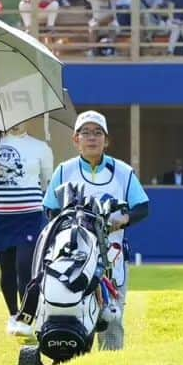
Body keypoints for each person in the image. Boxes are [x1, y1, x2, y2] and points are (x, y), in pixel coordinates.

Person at [43, 111, 149, 351]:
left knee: (112, 317)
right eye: (85, 133)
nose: (92, 138)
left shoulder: (122, 172)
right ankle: (72, 359)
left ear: (106, 140)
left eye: (98, 133)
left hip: (112, 256)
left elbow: (142, 207)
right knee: (73, 310)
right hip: (73, 258)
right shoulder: (64, 170)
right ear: (75, 140)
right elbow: (50, 209)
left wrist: (124, 219)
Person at [0, 124, 53, 337]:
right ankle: (13, 314)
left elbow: (46, 181)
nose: (17, 123)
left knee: (25, 266)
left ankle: (27, 315)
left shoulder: (40, 147)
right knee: (7, 268)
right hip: (2, 215)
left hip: (29, 215)